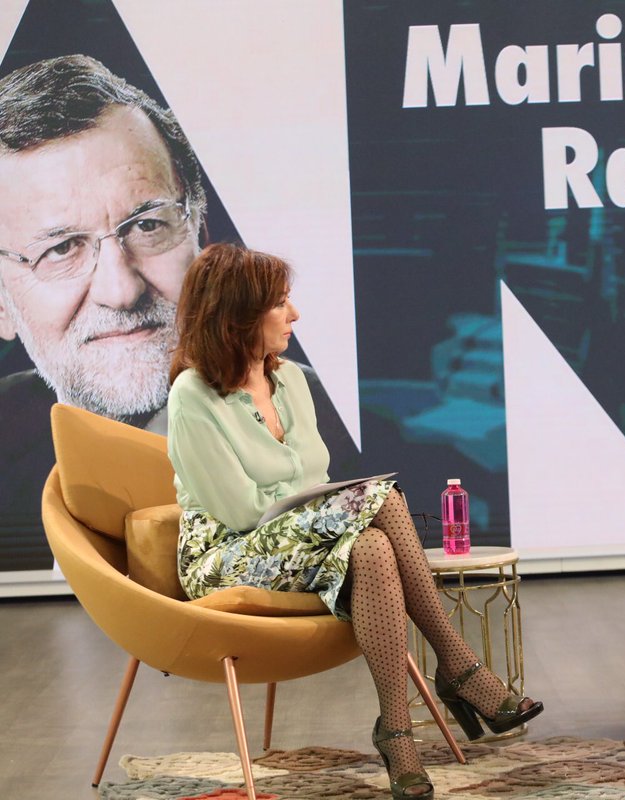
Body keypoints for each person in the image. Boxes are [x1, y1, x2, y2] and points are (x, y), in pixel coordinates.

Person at [166, 243, 543, 799]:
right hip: (226, 555)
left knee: (371, 547)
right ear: (238, 315)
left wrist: (320, 510)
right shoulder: (192, 396)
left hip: (294, 540)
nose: (294, 315)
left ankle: (396, 733)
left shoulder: (291, 381)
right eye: (281, 303)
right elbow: (241, 512)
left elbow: (312, 476)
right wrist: (321, 509)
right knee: (383, 499)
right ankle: (460, 668)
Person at [0, 54, 354, 570]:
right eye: (61, 249)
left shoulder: (326, 417)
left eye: (148, 225)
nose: (121, 291)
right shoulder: (9, 441)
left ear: (200, 237)